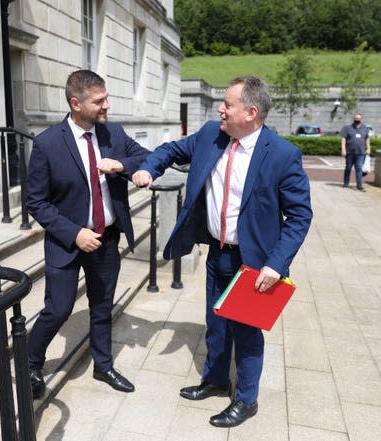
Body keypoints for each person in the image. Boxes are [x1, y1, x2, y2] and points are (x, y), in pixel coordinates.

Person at [132, 76, 312, 428]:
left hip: (254, 263)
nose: (220, 109)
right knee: (215, 322)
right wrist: (147, 168)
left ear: (251, 112)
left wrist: (276, 264)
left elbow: (300, 216)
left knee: (246, 332)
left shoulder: (282, 155)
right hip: (217, 250)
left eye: (228, 104)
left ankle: (247, 400)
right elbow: (170, 150)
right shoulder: (211, 135)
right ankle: (215, 380)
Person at [26, 69, 150, 399]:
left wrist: (123, 167)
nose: (107, 105)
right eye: (99, 101)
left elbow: (146, 157)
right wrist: (74, 232)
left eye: (106, 98)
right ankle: (30, 363)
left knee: (102, 307)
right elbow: (35, 201)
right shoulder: (47, 144)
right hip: (67, 242)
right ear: (75, 103)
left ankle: (103, 365)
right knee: (58, 309)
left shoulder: (114, 134)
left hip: (107, 238)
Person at [340, 113, 371, 191]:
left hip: (360, 153)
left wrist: (368, 148)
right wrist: (343, 149)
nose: (357, 120)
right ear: (353, 119)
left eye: (358, 118)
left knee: (359, 168)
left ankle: (359, 185)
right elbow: (343, 139)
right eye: (355, 118)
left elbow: (367, 139)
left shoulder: (365, 128)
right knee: (348, 168)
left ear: (361, 119)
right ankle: (346, 183)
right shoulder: (347, 128)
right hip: (349, 152)